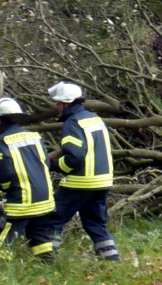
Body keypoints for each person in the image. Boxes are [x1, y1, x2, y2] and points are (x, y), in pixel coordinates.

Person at [40, 81, 120, 261]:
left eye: (58, 103)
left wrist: (55, 166)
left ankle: (46, 261)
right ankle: (112, 261)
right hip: (103, 182)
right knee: (95, 224)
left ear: (66, 104)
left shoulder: (72, 122)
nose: (56, 107)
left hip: (80, 182)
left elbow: (75, 156)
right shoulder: (94, 118)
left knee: (52, 221)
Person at [0, 97, 56, 261]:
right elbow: (46, 162)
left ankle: (0, 270)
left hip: (23, 202)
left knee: (7, 235)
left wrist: (4, 188)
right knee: (39, 235)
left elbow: (4, 173)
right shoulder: (34, 137)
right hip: (46, 199)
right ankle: (49, 265)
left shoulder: (1, 142)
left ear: (0, 119)